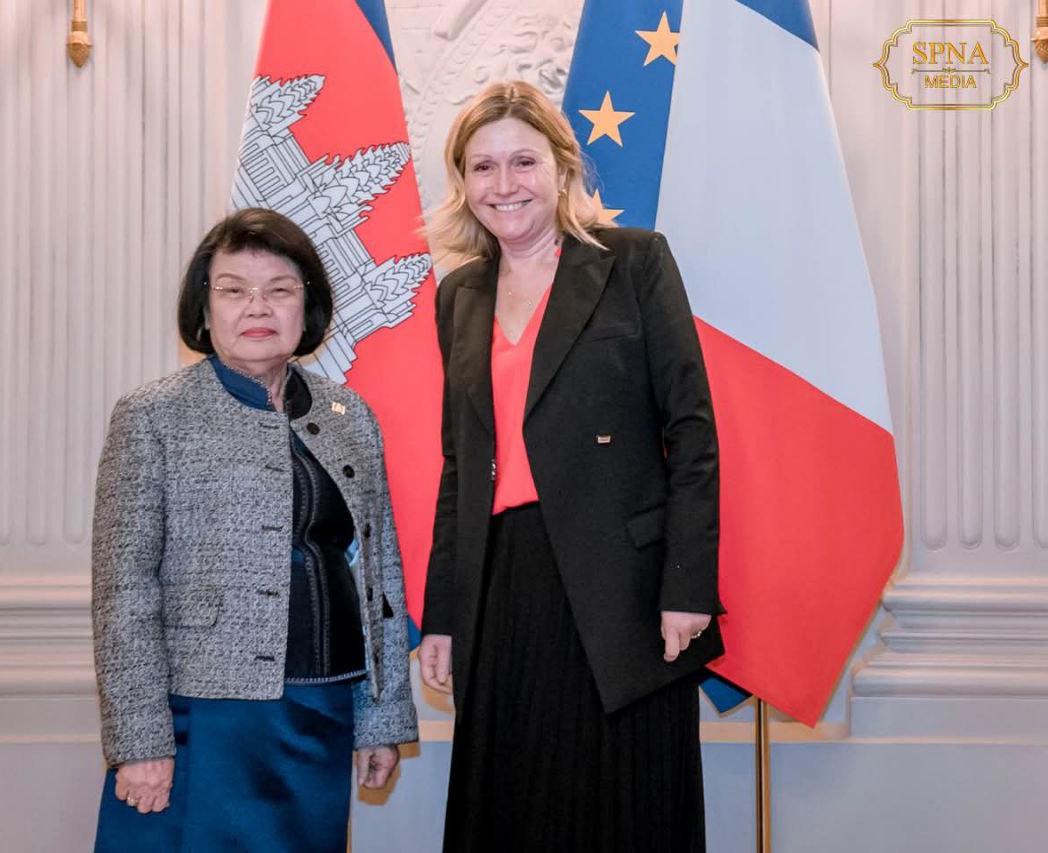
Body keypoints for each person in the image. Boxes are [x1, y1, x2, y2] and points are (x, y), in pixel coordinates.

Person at [418, 80, 724, 852]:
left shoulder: (634, 261)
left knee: (624, 813)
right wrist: (443, 614)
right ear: (464, 184)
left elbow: (691, 433)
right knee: (515, 809)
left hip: (625, 593)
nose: (505, 183)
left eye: (523, 161)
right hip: (503, 590)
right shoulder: (458, 296)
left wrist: (687, 586)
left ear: (561, 169)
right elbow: (460, 467)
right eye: (483, 167)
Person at [90, 207, 418, 852]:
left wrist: (381, 716)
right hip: (207, 715)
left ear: (307, 308)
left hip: (323, 709)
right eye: (234, 289)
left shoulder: (349, 414)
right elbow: (122, 591)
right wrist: (140, 741)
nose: (257, 306)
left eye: (280, 289)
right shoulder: (153, 415)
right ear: (204, 309)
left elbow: (377, 571)